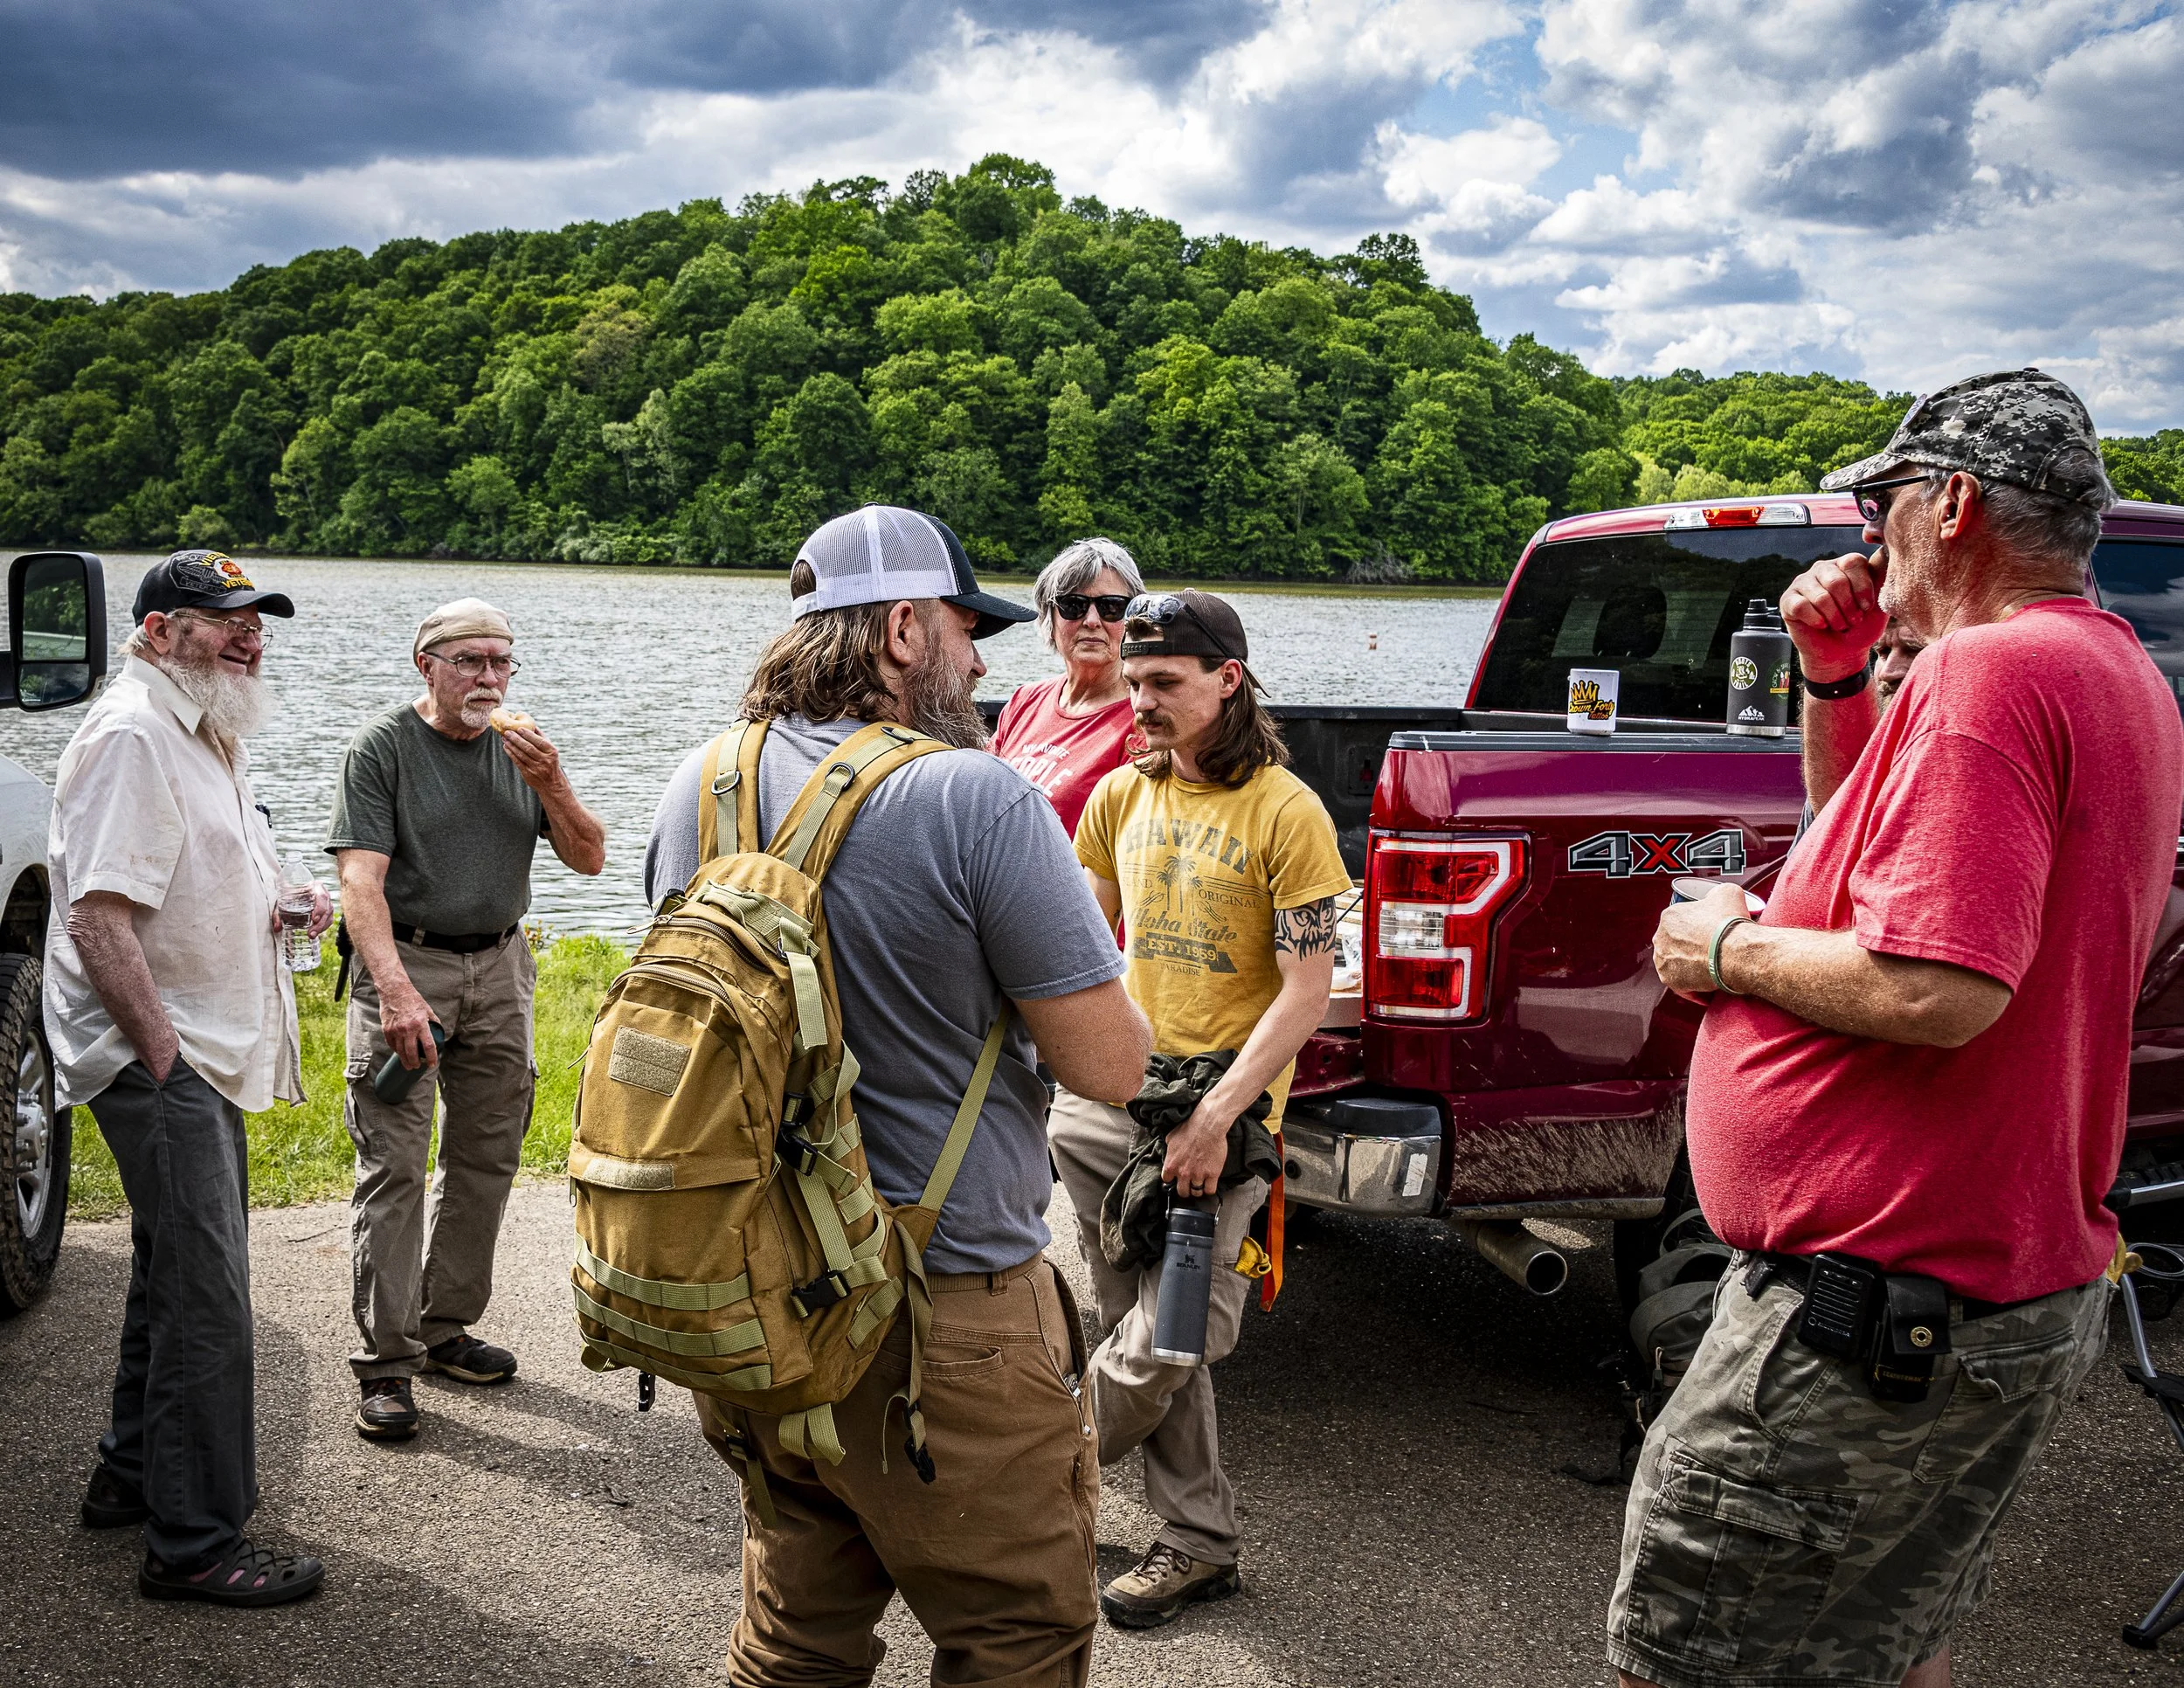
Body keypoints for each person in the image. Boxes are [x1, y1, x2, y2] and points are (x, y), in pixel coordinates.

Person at [1613, 370, 2184, 1688]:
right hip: (1983, 1297)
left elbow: (1942, 989)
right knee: (1885, 1644)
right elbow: (1863, 860)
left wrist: (1727, 950)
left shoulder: (1991, 674)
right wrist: (1833, 674)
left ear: (1958, 502)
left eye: (1883, 500)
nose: (1865, 534)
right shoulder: (2106, 669)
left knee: (1693, 1660)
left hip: (1865, 1314)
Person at [642, 505, 1152, 1687]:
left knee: (795, 1635)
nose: (986, 660)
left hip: (750, 1294)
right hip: (942, 1313)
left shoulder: (699, 781)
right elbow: (1109, 1068)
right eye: (972, 630)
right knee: (1018, 1637)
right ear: (907, 629)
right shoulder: (978, 798)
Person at [1054, 589, 1350, 1629]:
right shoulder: (1117, 799)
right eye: (1133, 683)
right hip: (1110, 1115)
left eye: (1164, 684)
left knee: (1174, 1338)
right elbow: (1081, 960)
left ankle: (1035, 1480)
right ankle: (1197, 1542)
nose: (1140, 702)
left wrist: (1218, 1115)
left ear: (1228, 680)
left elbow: (1304, 991)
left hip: (1219, 1118)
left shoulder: (1287, 812)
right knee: (1128, 1324)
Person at [45, 551, 328, 1607]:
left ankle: (130, 1475)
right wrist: (163, 1061)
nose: (251, 636)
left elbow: (186, 882)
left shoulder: (200, 727)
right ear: (160, 631)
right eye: (225, 620)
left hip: (191, 1050)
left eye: (258, 619)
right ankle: (196, 1543)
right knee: (208, 1299)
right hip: (164, 1054)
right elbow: (96, 916)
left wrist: (279, 901)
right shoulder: (132, 735)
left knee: (173, 1271)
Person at [328, 598, 605, 1441]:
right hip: (409, 966)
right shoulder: (384, 748)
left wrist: (552, 782)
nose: (490, 678)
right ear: (428, 666)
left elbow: (590, 858)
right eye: (471, 661)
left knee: (487, 1155)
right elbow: (360, 884)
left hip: (503, 966)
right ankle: (386, 1361)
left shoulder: (522, 751)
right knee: (396, 1164)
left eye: (502, 663)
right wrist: (397, 991)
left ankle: (444, 1328)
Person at [989, 536, 1148, 838]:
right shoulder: (1025, 701)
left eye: (1111, 607)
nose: (1091, 621)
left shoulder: (1144, 718)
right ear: (1050, 616)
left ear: (1133, 620)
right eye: (1073, 606)